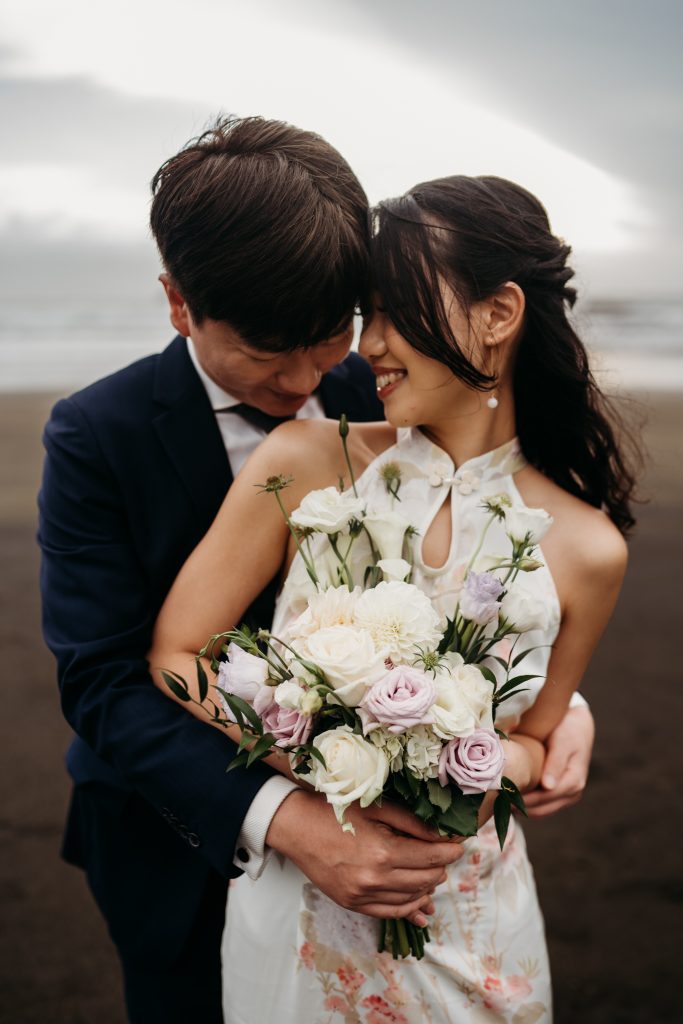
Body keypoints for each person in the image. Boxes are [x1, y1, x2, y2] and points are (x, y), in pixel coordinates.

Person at [38, 112, 592, 1022]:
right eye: (264, 352)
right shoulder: (96, 435)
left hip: (391, 863)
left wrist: (551, 707)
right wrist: (287, 820)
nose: (303, 380)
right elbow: (101, 680)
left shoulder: (384, 391)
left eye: (327, 335)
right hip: (179, 836)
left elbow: (457, 558)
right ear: (180, 304)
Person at [149, 174, 636, 1023]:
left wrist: (478, 772)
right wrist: (326, 767)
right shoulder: (304, 459)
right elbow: (175, 655)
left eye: (393, 312)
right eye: (363, 316)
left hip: (465, 914)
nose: (366, 344)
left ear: (497, 314)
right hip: (303, 911)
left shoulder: (589, 549)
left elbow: (537, 742)